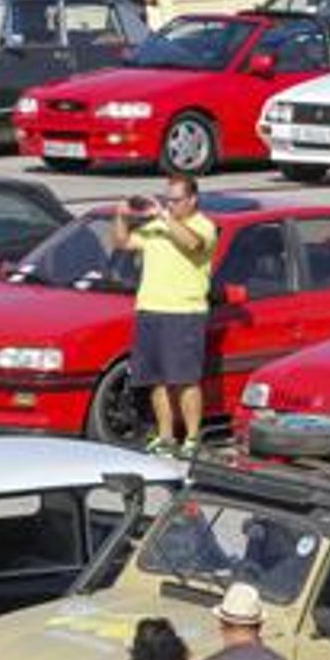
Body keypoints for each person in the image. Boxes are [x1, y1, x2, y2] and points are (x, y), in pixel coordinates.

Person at [111, 175, 218, 458]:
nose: (170, 205)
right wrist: (121, 215)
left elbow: (192, 244)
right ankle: (166, 436)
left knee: (184, 379)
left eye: (176, 200)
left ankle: (192, 438)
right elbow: (122, 243)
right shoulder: (156, 226)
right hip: (150, 310)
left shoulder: (203, 226)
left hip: (183, 314)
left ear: (192, 199)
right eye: (167, 199)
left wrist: (163, 216)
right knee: (155, 379)